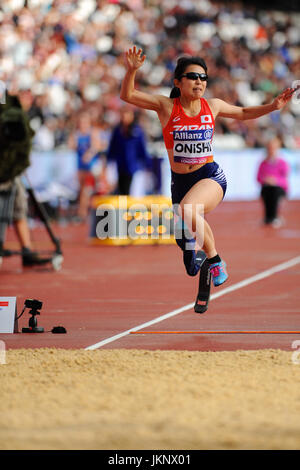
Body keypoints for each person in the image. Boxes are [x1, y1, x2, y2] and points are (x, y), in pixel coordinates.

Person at [120, 46, 295, 287]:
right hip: (179, 183)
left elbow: (243, 112)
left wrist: (272, 107)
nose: (199, 82)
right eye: (193, 76)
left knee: (188, 210)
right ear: (178, 82)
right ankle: (193, 252)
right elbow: (128, 95)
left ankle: (216, 261)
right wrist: (131, 70)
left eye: (203, 77)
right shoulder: (167, 107)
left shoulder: (212, 106)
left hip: (210, 177)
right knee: (186, 248)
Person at [106, 105, 151, 195]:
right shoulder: (117, 130)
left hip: (134, 166)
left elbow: (142, 148)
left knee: (133, 192)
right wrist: (108, 162)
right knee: (121, 191)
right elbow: (112, 147)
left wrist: (147, 164)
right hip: (120, 166)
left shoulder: (137, 131)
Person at [257, 136, 289, 228]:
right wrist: (266, 180)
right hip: (267, 188)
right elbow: (258, 178)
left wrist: (275, 181)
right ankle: (268, 217)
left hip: (279, 189)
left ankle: (275, 217)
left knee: (274, 192)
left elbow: (285, 180)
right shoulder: (263, 163)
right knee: (267, 191)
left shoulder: (282, 163)